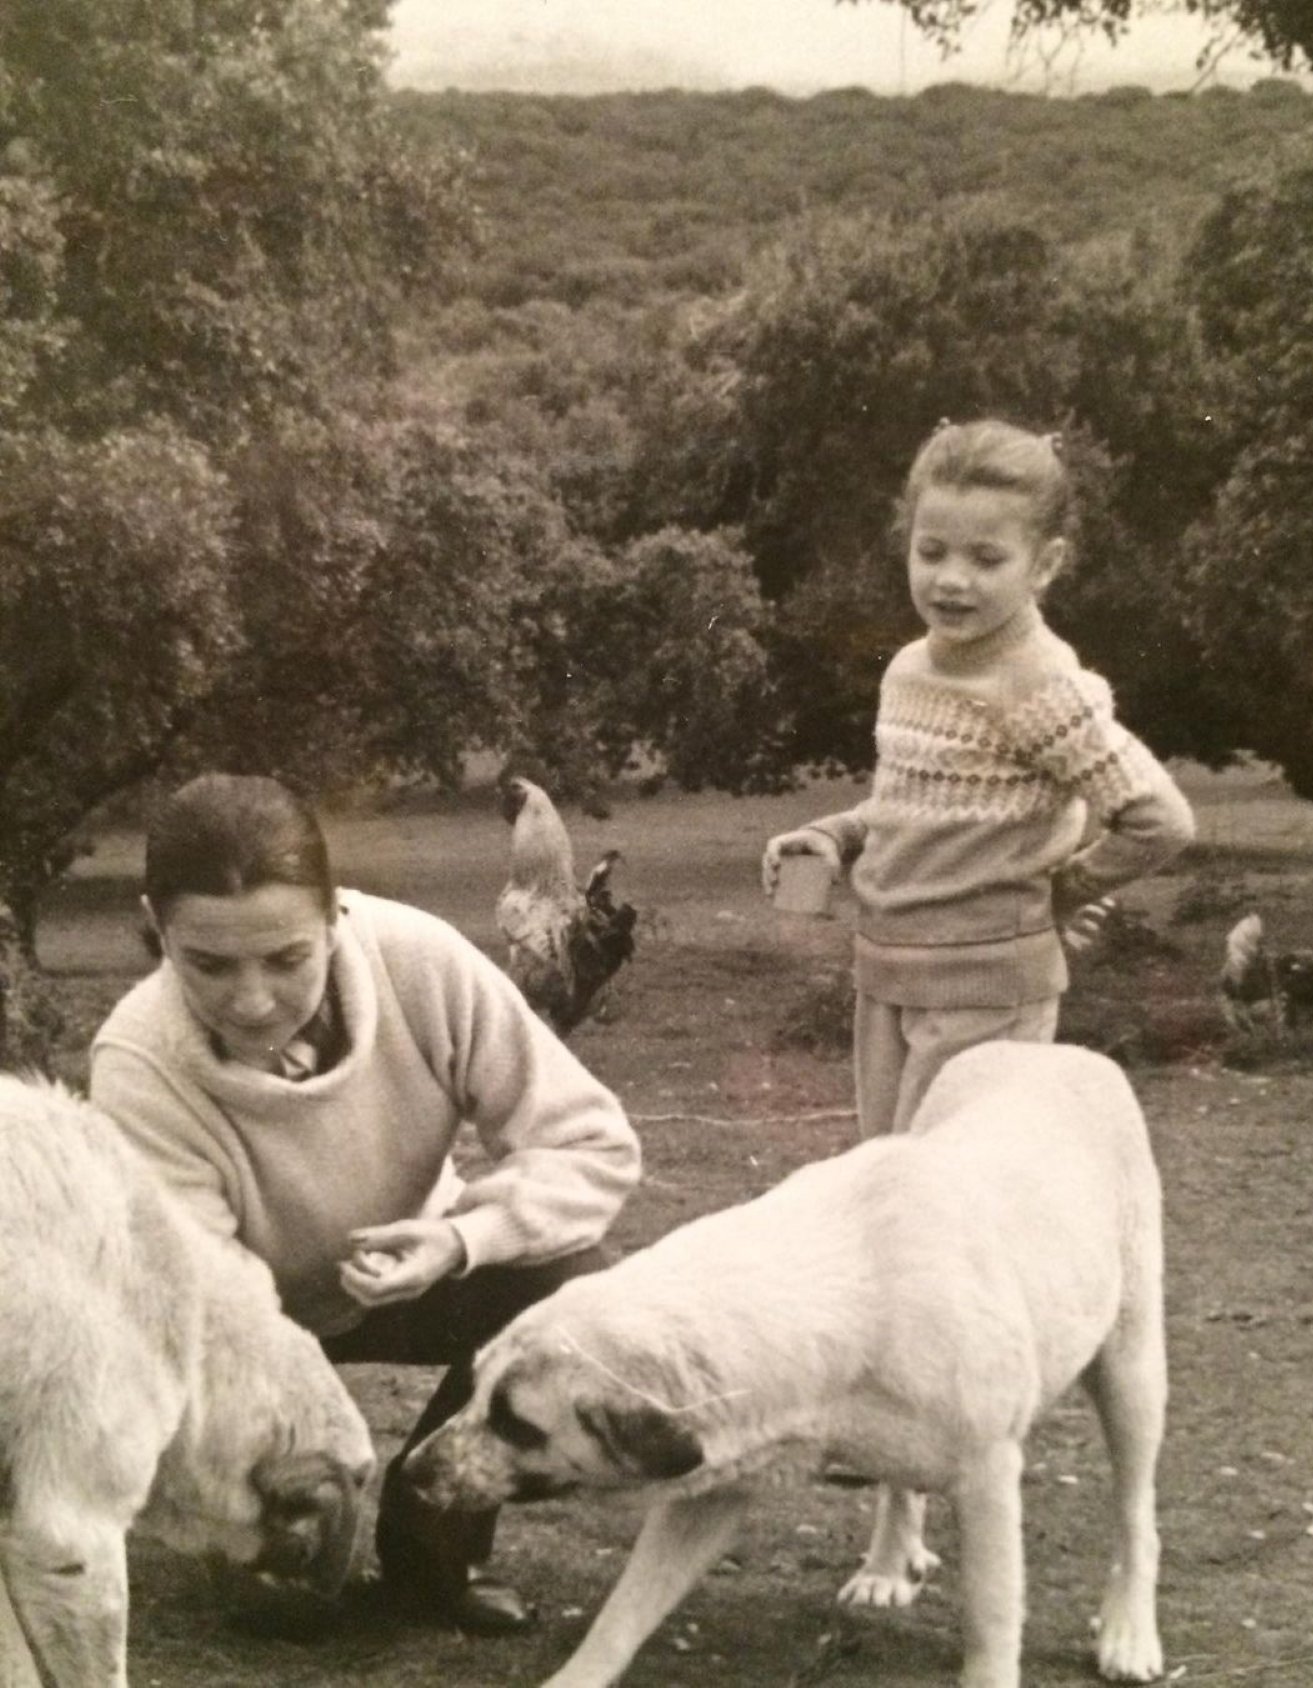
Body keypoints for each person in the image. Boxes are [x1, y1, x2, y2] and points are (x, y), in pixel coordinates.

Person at [89, 772, 641, 1636]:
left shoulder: (421, 960)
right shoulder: (137, 1059)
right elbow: (200, 1298)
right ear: (159, 928)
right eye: (207, 963)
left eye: (286, 958)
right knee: (284, 1571)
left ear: (335, 912)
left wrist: (461, 1239)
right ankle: (268, 1529)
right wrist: (319, 1448)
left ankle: (432, 1552)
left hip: (413, 1271)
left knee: (568, 1287)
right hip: (244, 1316)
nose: (253, 999)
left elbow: (591, 1144)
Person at [762, 418, 1195, 1137]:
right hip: (887, 975)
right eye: (931, 551)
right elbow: (912, 806)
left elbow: (1161, 819)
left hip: (989, 990)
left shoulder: (1042, 680)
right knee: (889, 1182)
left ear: (1045, 564)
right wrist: (833, 835)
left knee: (951, 1198)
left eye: (987, 558)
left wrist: (1060, 893)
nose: (951, 578)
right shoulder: (908, 669)